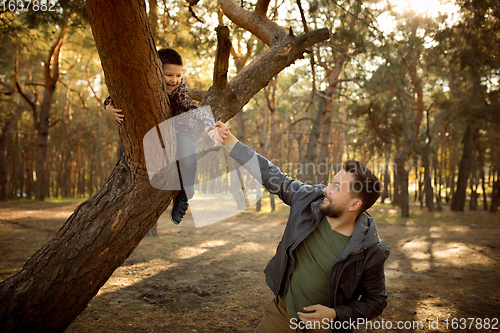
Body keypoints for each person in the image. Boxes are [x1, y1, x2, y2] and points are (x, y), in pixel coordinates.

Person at [217, 125, 389, 333]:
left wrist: (335, 315)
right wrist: (231, 143)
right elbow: (271, 175)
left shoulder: (370, 249)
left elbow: (376, 301)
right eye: (330, 183)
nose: (326, 189)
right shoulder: (309, 200)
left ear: (354, 205)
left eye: (336, 187)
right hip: (281, 316)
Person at [105, 48, 226, 225]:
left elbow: (193, 109)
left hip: (180, 129)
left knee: (189, 159)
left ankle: (184, 195)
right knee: (126, 150)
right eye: (169, 75)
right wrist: (107, 106)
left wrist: (211, 128)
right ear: (155, 72)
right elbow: (115, 95)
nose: (174, 80)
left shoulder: (178, 91)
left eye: (178, 75)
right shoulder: (141, 85)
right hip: (150, 133)